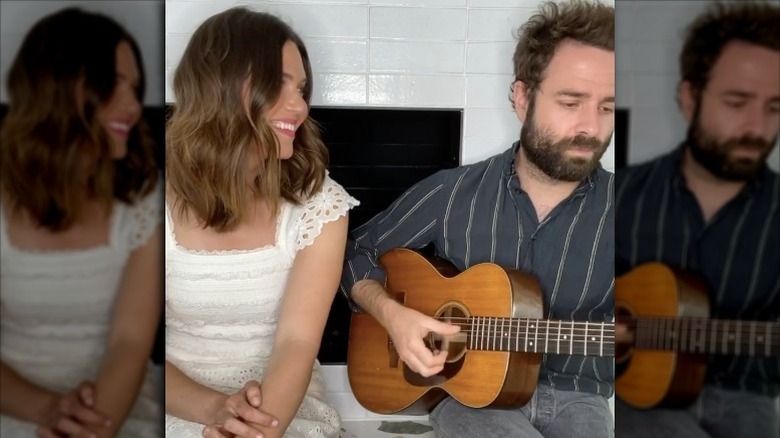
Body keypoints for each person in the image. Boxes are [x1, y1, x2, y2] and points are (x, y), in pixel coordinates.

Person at [341, 1, 615, 436]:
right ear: (522, 98)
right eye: (571, 102)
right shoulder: (453, 192)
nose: (591, 126)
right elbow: (355, 249)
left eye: (606, 107)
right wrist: (393, 315)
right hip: (466, 397)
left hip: (577, 396)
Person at [164, 7, 358, 438]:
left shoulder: (319, 204)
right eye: (278, 85)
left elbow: (297, 344)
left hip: (282, 407)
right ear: (220, 88)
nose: (299, 106)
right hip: (173, 401)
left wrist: (252, 431)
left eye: (302, 89)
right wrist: (215, 410)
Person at [614, 2, 779, 437]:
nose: (757, 127)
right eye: (738, 102)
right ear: (690, 98)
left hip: (746, 398)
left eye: (774, 107)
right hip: (638, 398)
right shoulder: (622, 195)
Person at [0, 7, 163, 438]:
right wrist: (49, 410)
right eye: (113, 85)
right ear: (54, 87)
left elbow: (130, 342)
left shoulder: (143, 197)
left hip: (116, 406)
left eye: (135, 87)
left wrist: (88, 428)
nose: (132, 106)